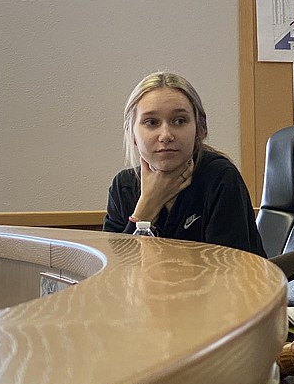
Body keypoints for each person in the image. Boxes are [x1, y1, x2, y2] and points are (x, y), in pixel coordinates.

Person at [104, 71, 266, 257]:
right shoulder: (123, 187)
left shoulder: (220, 178)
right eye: (151, 122)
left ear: (200, 129)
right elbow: (113, 272)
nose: (166, 135)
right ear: (132, 134)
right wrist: (146, 208)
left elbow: (230, 272)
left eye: (179, 121)